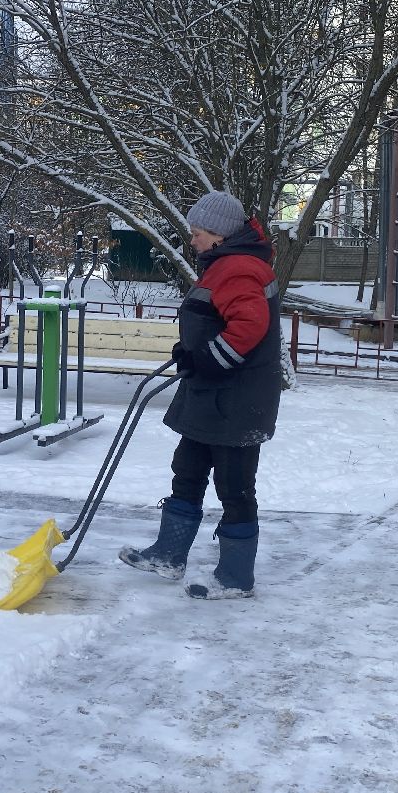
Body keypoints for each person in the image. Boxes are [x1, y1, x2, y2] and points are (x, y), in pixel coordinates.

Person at [119, 190, 282, 599]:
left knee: (235, 486)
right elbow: (214, 319)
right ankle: (169, 555)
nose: (192, 240)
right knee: (187, 470)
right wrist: (190, 351)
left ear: (220, 235)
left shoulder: (240, 268)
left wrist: (207, 359)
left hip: (236, 401)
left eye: (197, 233)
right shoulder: (224, 263)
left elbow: (247, 328)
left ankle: (235, 577)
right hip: (210, 395)